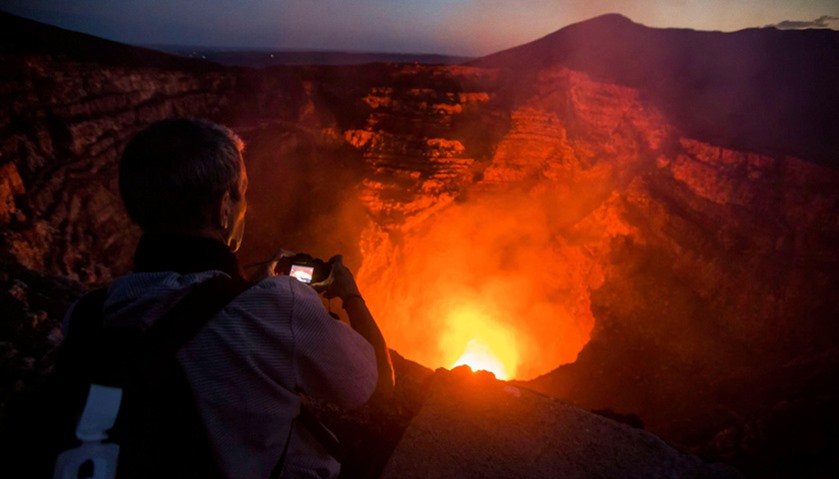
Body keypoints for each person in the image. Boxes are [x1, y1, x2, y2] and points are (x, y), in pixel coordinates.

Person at [106, 117, 394, 478]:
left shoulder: (93, 312)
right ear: (224, 207)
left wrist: (238, 288)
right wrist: (351, 295)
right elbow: (379, 387)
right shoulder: (276, 306)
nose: (248, 208)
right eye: (243, 192)